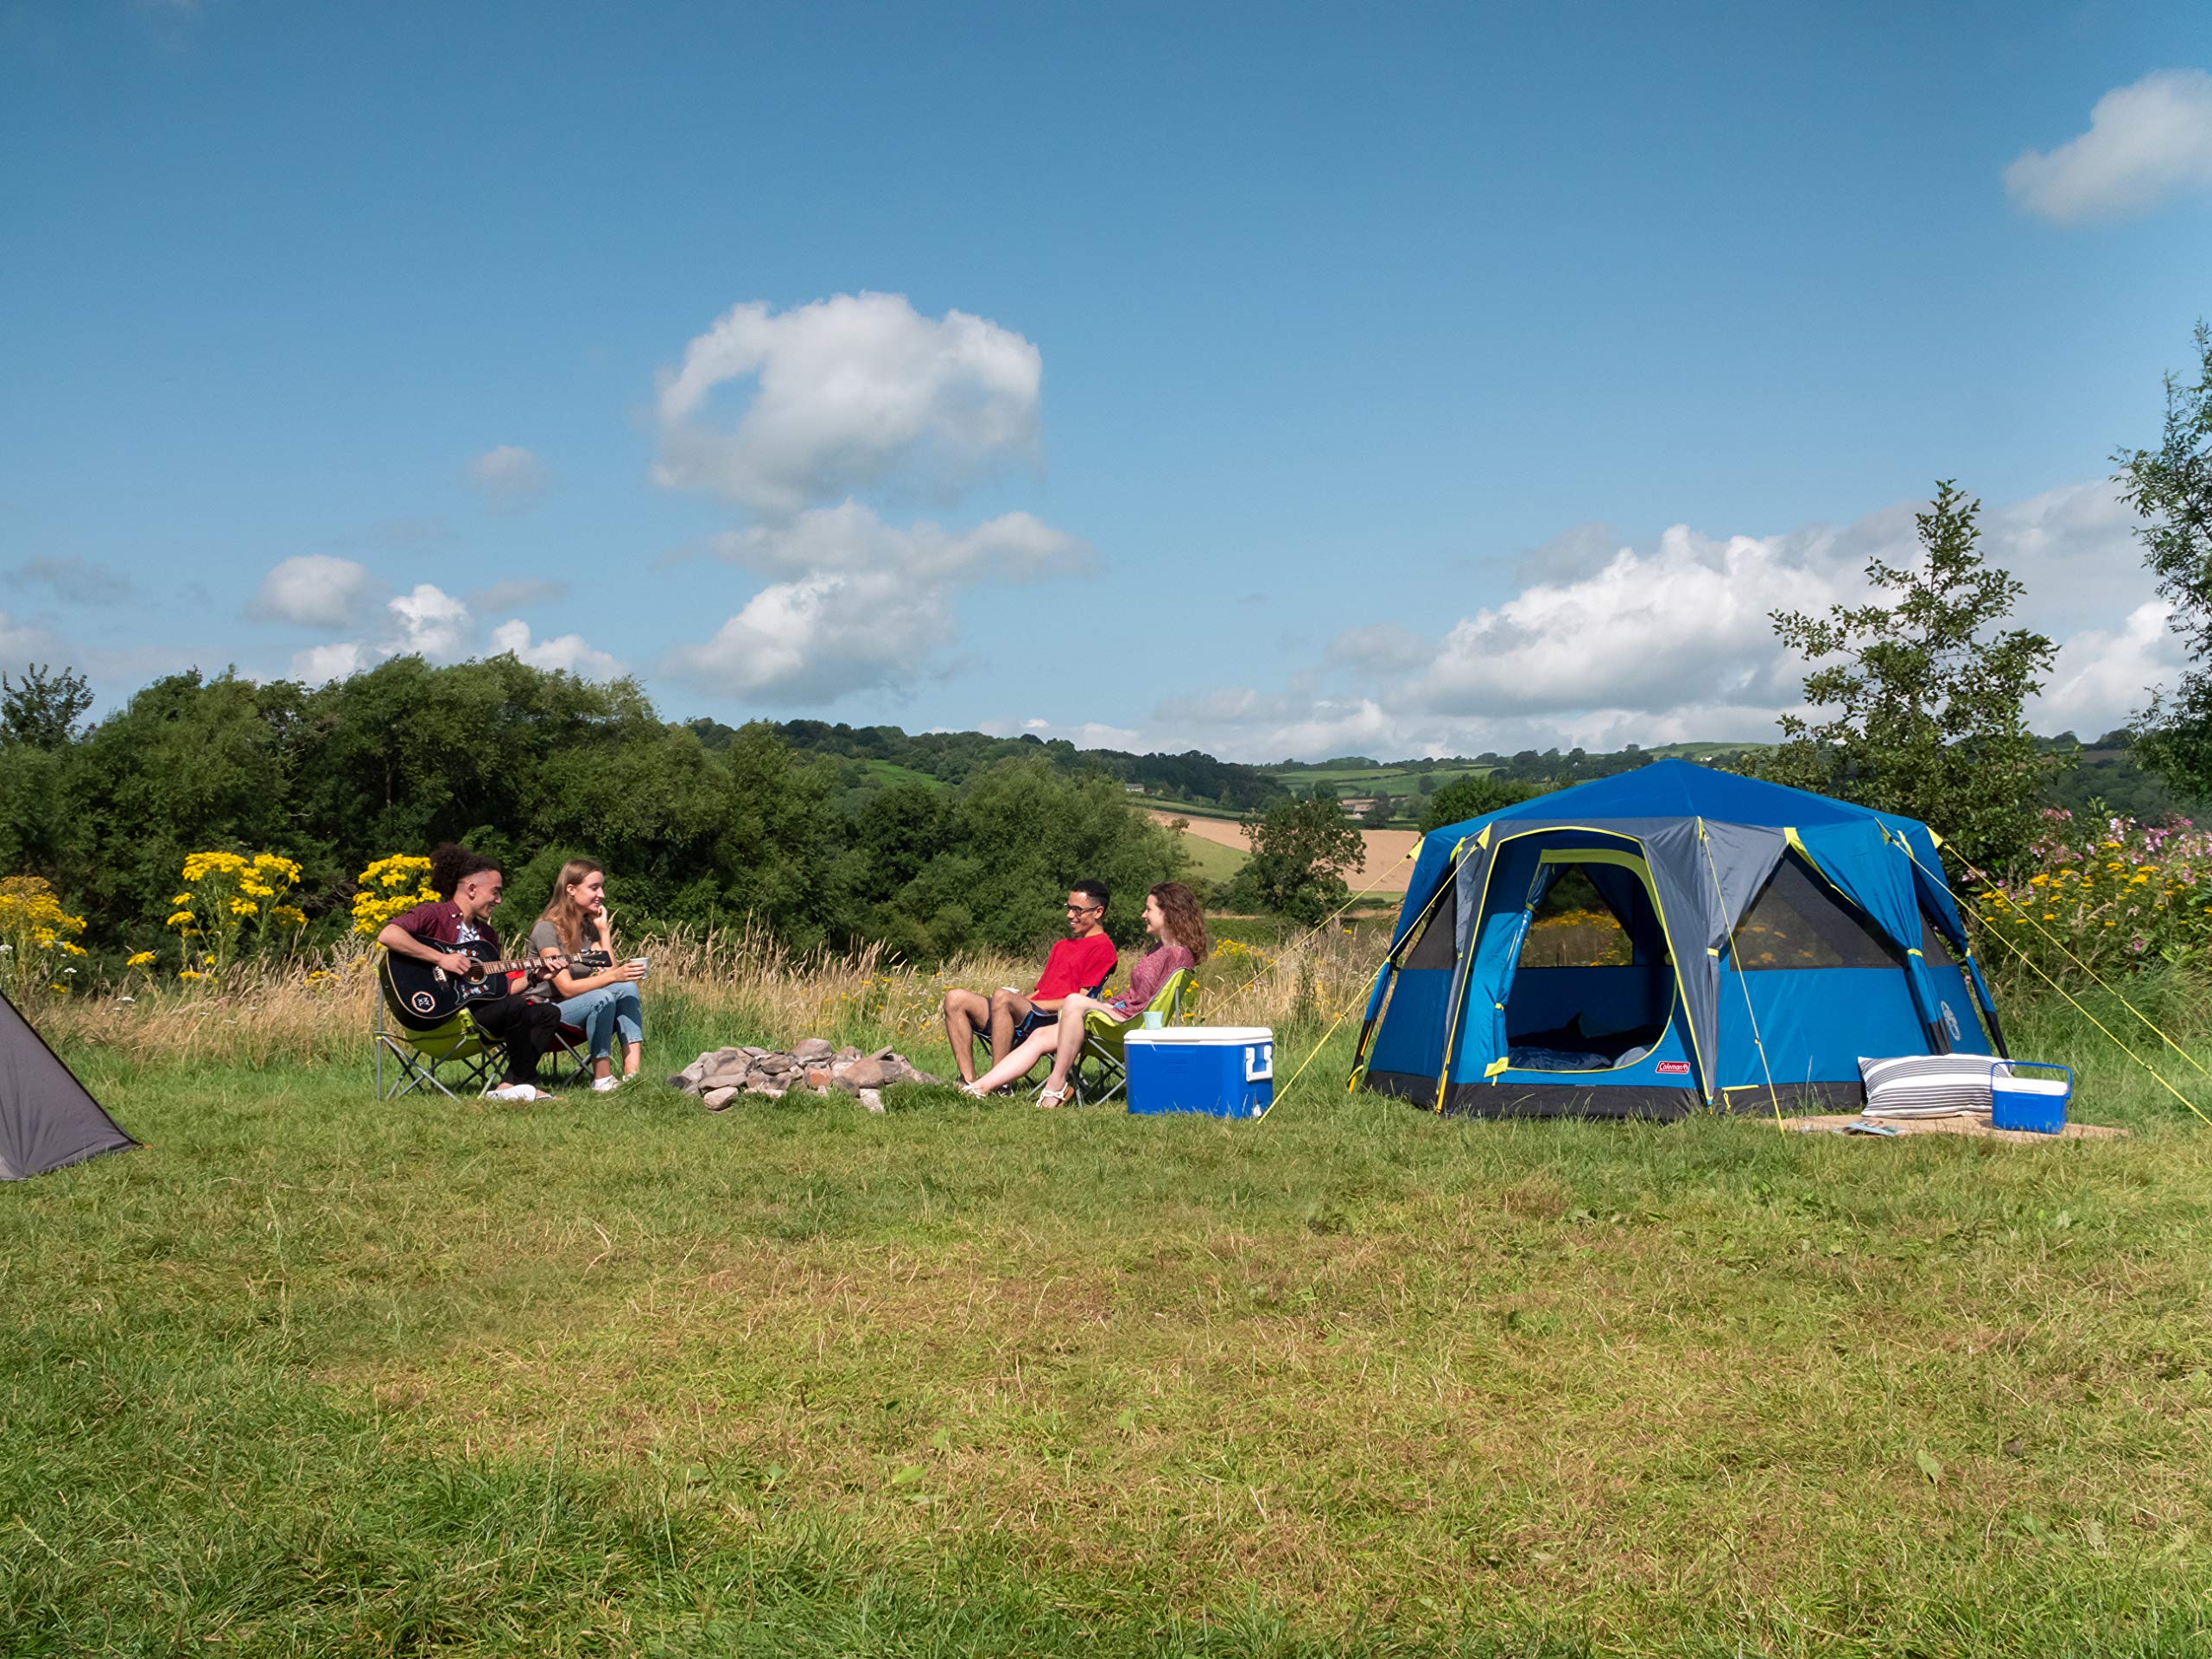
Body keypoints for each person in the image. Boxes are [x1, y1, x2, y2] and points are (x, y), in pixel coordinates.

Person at [961, 881, 1208, 1109]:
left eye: (1149, 909)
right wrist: (1111, 1004)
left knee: (1075, 1001)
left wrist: (1111, 1009)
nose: (1143, 915)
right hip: (1120, 1014)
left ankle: (1056, 1085)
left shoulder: (1178, 955)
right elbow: (1136, 994)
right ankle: (980, 1088)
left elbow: (1154, 1003)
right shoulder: (1157, 949)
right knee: (1038, 1036)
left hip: (1129, 1024)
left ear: (1168, 913)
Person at [378, 843, 562, 1103]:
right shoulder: (434, 915)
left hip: (478, 1016)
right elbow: (389, 934)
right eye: (495, 892)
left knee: (548, 1012)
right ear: (472, 889)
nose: (499, 900)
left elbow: (498, 991)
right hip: (441, 1017)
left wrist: (534, 977)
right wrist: (441, 958)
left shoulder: (487, 936)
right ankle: (529, 1083)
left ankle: (508, 1086)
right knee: (515, 1007)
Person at [939, 880, 1119, 1086]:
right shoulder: (1062, 946)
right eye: (1069, 908)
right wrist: (1018, 1002)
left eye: (1077, 910)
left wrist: (1019, 1003)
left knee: (1002, 997)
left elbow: (1082, 1001)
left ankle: (998, 1084)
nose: (1070, 915)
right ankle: (968, 1081)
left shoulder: (1103, 948)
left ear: (1098, 912)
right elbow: (1041, 991)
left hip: (1054, 1019)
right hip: (1030, 1013)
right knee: (955, 998)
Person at [531, 857, 646, 1093]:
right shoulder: (547, 929)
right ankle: (602, 1079)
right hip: (547, 1013)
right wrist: (614, 978)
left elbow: (611, 974)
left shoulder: (588, 930)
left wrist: (604, 931)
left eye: (601, 887)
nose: (601, 894)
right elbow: (566, 989)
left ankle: (633, 1076)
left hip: (578, 1009)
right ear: (570, 889)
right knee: (601, 997)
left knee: (628, 989)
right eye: (594, 887)